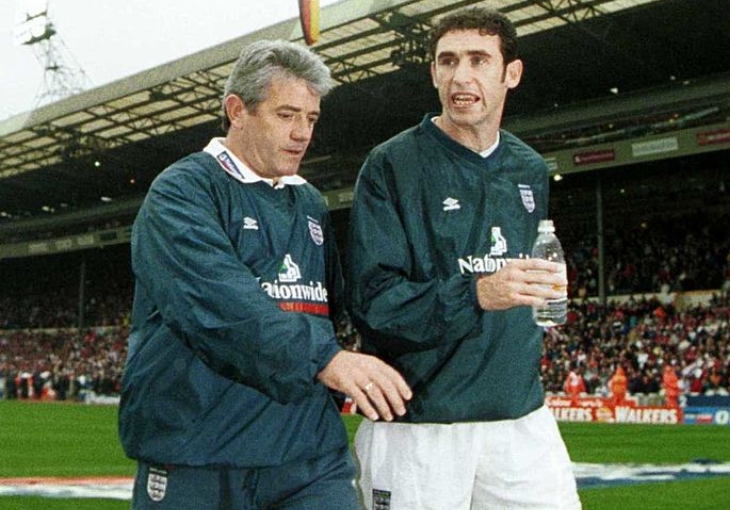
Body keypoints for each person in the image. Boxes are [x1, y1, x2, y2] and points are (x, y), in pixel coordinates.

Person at [118, 39, 412, 510]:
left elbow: (332, 307)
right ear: (237, 110)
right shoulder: (182, 192)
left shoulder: (309, 202)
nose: (302, 133)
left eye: (311, 119)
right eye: (286, 115)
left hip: (308, 456)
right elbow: (220, 304)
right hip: (200, 454)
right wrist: (327, 360)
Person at [346, 7, 580, 509]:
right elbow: (373, 303)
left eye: (478, 60)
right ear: (433, 73)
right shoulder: (391, 164)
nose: (461, 76)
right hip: (422, 425)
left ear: (510, 73)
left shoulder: (529, 168)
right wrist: (478, 292)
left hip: (520, 420)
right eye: (447, 61)